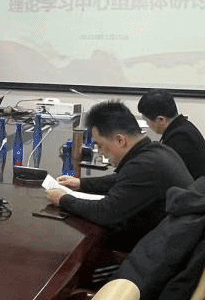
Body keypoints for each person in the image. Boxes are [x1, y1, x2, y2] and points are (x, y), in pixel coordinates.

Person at [45, 100, 194, 252]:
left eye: (100, 145)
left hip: (155, 252)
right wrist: (81, 183)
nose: (100, 152)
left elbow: (105, 213)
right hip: (166, 238)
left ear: (120, 140)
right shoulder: (156, 151)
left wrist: (63, 199)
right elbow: (122, 178)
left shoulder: (144, 166)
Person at [137, 90, 205, 181]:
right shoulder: (181, 127)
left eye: (146, 121)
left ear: (161, 120)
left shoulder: (180, 138)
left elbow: (166, 173)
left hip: (193, 187)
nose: (148, 124)